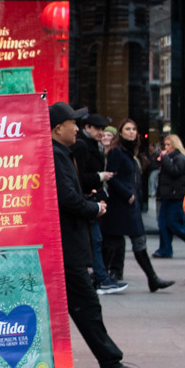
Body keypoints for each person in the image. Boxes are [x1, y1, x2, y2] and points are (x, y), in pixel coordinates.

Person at [46, 102, 150, 368]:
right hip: (66, 247)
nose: (77, 128)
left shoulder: (62, 153)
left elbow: (69, 194)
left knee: (61, 307)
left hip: (65, 245)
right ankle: (111, 366)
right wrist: (94, 207)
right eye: (73, 123)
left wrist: (87, 199)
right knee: (87, 307)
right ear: (58, 128)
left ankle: (34, 367)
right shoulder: (56, 155)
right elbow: (66, 199)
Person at [105, 120, 174, 292]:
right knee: (113, 243)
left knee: (137, 242)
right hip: (120, 205)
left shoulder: (130, 152)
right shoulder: (117, 152)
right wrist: (127, 194)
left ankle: (152, 278)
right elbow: (111, 177)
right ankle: (103, 276)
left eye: (134, 129)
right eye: (127, 129)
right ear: (121, 133)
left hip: (130, 206)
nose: (131, 132)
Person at [72, 115, 123, 293]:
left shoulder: (93, 145)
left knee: (95, 240)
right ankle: (101, 278)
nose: (101, 132)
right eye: (98, 129)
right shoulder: (82, 146)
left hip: (90, 198)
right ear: (88, 127)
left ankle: (100, 277)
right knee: (95, 240)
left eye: (103, 129)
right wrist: (100, 176)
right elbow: (79, 176)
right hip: (86, 199)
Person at [152, 133, 185, 258]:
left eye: (168, 145)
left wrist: (164, 159)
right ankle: (165, 249)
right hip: (168, 195)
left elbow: (175, 171)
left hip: (176, 196)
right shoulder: (169, 158)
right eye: (165, 145)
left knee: (174, 223)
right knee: (163, 223)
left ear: (175, 145)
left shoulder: (180, 158)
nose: (166, 147)